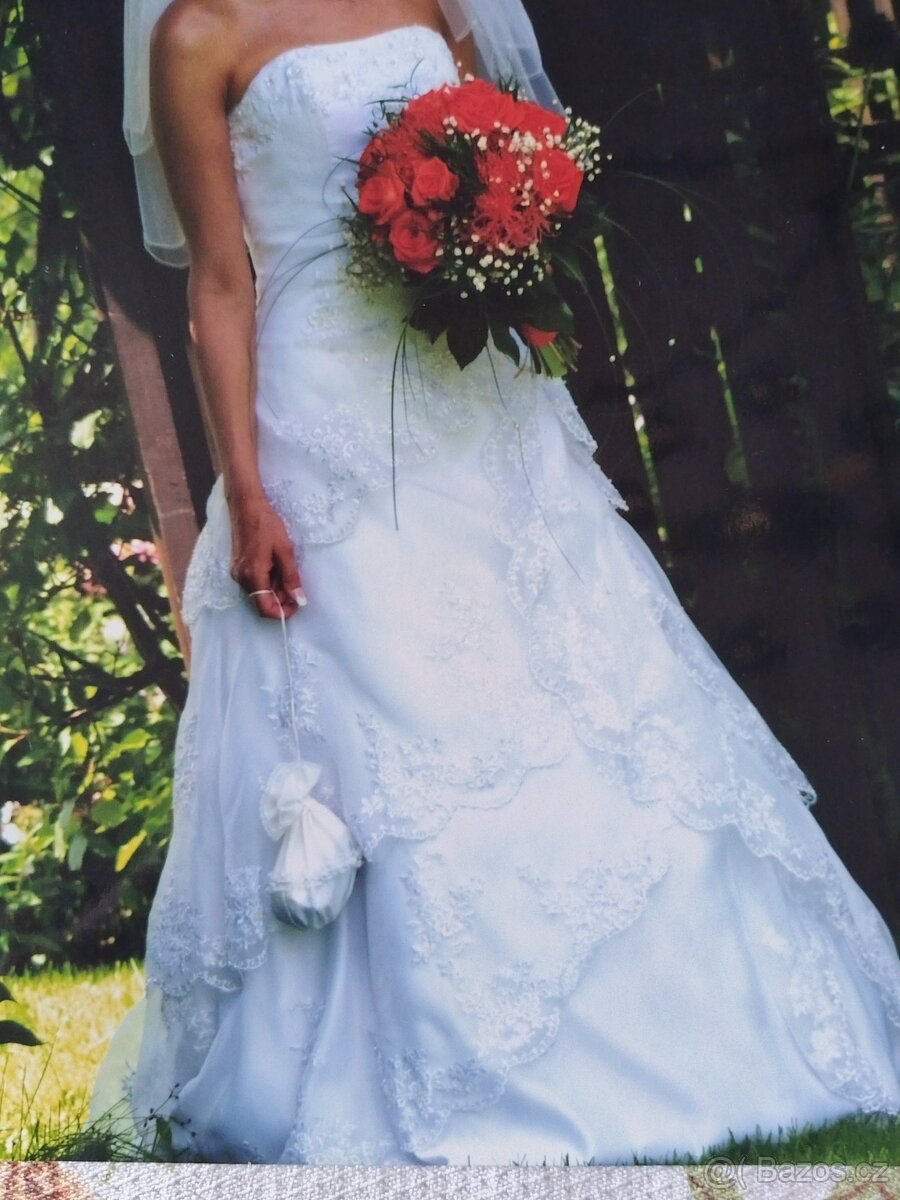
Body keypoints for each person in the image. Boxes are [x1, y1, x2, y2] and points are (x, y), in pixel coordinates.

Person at [105, 0, 900, 1165]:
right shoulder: (196, 37)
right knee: (395, 722)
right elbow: (219, 285)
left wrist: (500, 232)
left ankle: (705, 1031)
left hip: (467, 386)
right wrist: (250, 487)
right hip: (318, 413)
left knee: (583, 688)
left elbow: (506, 144)